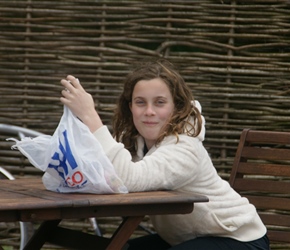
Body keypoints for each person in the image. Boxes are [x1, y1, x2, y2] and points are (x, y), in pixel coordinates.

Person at [60, 59, 270, 250]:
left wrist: (89, 115)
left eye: (160, 102)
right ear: (130, 107)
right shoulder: (133, 141)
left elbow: (127, 178)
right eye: (141, 102)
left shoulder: (186, 148)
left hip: (238, 238)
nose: (149, 111)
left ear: (176, 107)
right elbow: (104, 173)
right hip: (186, 238)